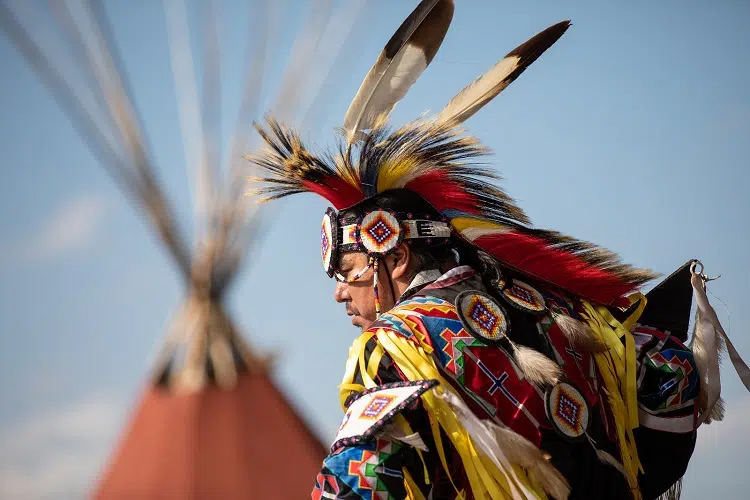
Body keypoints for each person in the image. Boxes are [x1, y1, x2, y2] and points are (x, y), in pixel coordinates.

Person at [247, 2, 747, 498]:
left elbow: (357, 487)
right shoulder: (557, 310)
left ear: (395, 258)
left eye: (348, 272)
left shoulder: (398, 349)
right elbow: (669, 373)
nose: (339, 294)